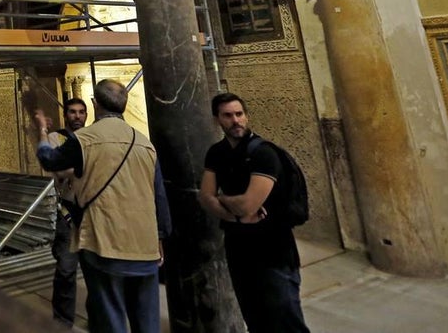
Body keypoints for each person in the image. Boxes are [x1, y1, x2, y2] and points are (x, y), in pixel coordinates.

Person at [34, 80, 171, 333]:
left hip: (104, 239)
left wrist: (42, 132)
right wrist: (160, 236)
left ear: (95, 105)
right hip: (144, 243)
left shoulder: (84, 139)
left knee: (110, 314)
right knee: (146, 318)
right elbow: (159, 195)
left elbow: (49, 160)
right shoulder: (145, 143)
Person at [198, 93, 310, 333]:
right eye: (228, 116)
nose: (235, 121)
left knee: (286, 322)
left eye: (239, 114)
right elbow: (205, 197)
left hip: (274, 250)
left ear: (246, 116)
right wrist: (233, 213)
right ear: (217, 119)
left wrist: (222, 200)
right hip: (239, 247)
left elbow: (248, 205)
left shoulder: (264, 154)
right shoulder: (216, 153)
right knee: (255, 319)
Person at [45, 97, 87, 328]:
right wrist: (83, 168)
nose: (77, 116)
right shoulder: (57, 138)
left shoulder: (92, 138)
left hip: (92, 211)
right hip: (68, 213)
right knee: (66, 269)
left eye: (81, 112)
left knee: (95, 269)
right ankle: (61, 322)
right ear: (66, 114)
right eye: (72, 112)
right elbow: (58, 171)